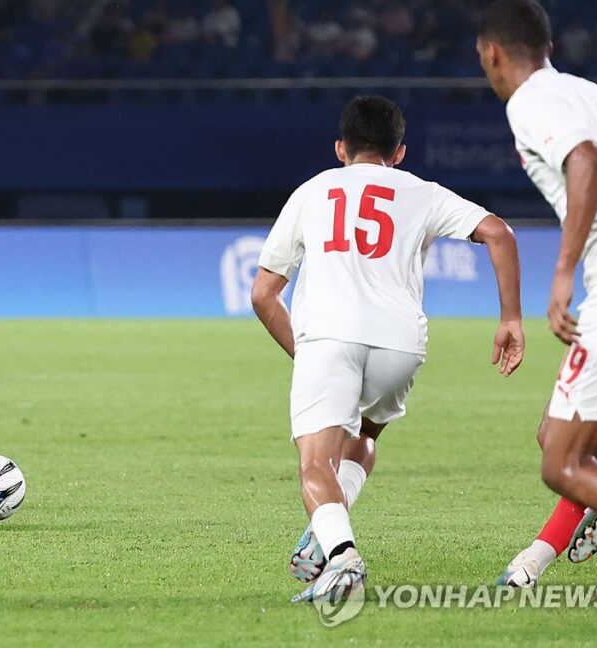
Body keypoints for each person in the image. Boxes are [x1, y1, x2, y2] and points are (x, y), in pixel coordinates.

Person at [252, 95, 525, 601]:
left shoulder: (313, 191)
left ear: (340, 148)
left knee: (316, 463)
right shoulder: (421, 192)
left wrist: (308, 354)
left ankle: (342, 557)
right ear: (399, 152)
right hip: (401, 344)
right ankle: (325, 532)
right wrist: (510, 318)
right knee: (366, 433)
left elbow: (263, 294)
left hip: (330, 336)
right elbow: (500, 234)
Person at [477, 0, 597, 586]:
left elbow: (585, 161)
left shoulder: (533, 100)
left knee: (562, 459)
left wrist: (564, 271)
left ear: (491, 53)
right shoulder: (589, 93)